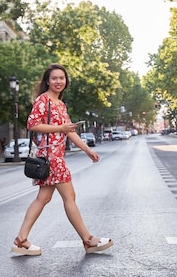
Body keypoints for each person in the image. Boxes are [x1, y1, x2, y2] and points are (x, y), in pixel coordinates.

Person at [11, 63, 113, 256]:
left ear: (66, 82)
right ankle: (88, 240)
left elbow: (70, 131)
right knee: (69, 197)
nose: (58, 82)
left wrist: (87, 150)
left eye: (61, 78)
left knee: (43, 198)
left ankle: (21, 239)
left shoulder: (60, 104)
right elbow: (32, 124)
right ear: (47, 81)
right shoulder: (43, 100)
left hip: (55, 156)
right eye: (54, 78)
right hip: (51, 157)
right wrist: (60, 129)